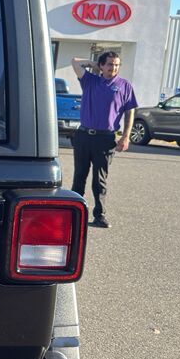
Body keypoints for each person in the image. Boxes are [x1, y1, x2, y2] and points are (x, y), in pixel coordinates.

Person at [69, 52, 138, 228]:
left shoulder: (124, 86)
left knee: (99, 179)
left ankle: (99, 215)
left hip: (105, 139)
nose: (113, 68)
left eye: (116, 65)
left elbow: (130, 111)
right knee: (79, 176)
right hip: (84, 136)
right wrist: (93, 63)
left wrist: (126, 136)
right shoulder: (90, 80)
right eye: (109, 64)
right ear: (101, 65)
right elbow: (75, 62)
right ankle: (74, 214)